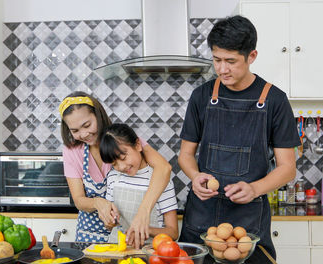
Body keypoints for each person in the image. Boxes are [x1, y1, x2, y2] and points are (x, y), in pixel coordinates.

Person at [177, 15, 300, 262]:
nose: (222, 69)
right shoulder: (201, 96)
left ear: (251, 56)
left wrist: (254, 188)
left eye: (231, 61)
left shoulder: (275, 100)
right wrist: (195, 176)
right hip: (201, 216)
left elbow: (288, 168)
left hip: (249, 220)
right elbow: (186, 155)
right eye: (217, 60)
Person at [59, 91, 171, 247]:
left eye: (87, 125)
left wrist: (143, 213)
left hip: (124, 236)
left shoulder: (119, 139)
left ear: (97, 115)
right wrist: (98, 203)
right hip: (88, 236)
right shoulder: (71, 151)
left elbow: (164, 168)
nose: (84, 134)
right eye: (75, 131)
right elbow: (79, 200)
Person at [99, 123, 178, 240]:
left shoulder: (160, 179)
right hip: (118, 250)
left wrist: (145, 229)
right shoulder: (113, 177)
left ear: (138, 145)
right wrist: (110, 222)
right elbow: (110, 225)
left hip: (151, 252)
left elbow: (173, 232)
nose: (121, 167)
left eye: (123, 158)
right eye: (114, 163)